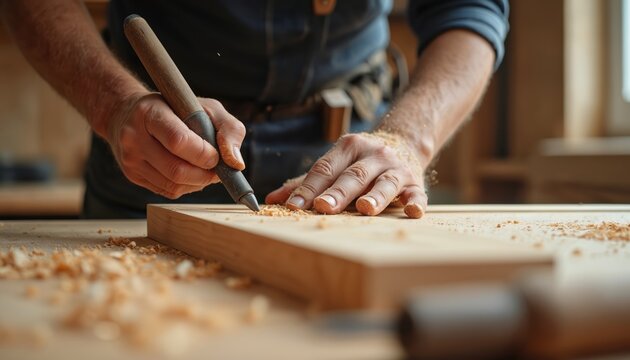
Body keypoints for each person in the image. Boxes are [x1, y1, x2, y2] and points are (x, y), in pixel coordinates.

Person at [1, 0, 508, 219]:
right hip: (155, 146)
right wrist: (114, 103)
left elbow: (469, 10)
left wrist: (409, 138)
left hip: (351, 163)